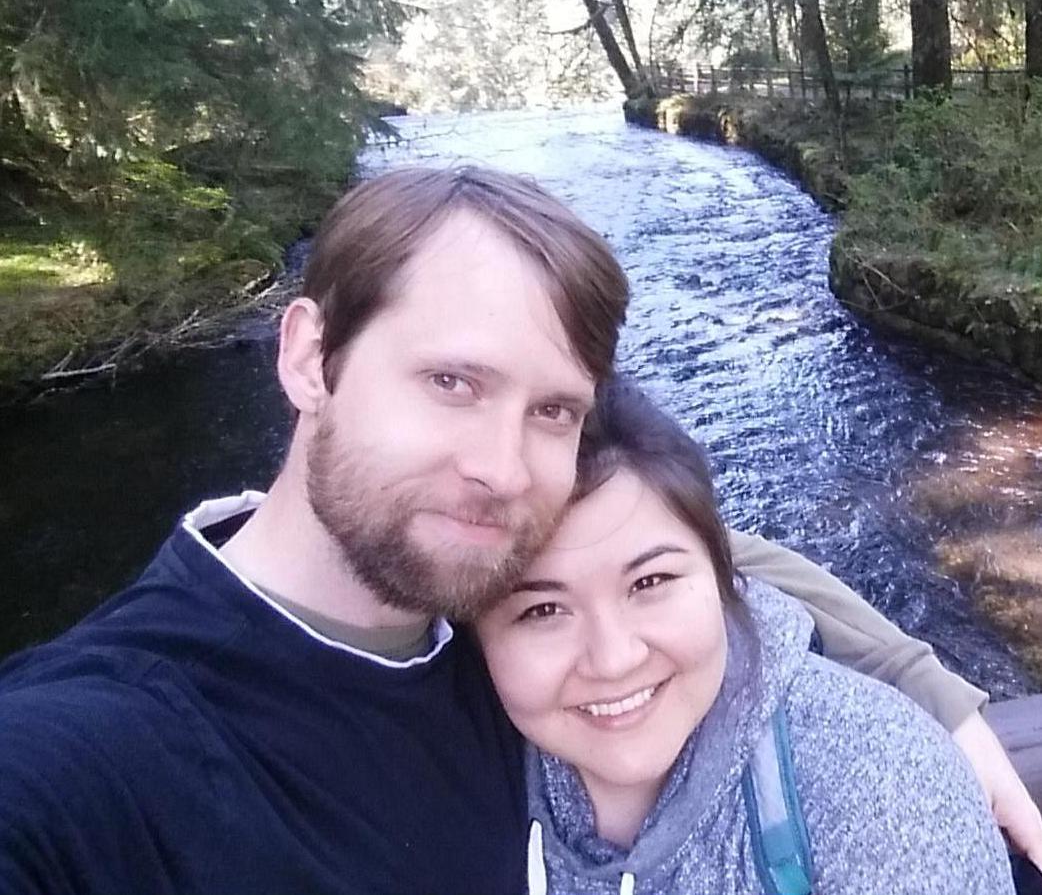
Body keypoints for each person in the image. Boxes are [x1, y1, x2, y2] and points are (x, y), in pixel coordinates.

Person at [0, 166, 1037, 895]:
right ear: (311, 359)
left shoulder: (487, 618)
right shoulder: (87, 757)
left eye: (553, 410)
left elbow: (692, 554)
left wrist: (923, 687)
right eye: (452, 380)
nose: (501, 469)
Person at [475, 378, 1017, 894]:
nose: (613, 658)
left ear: (722, 576)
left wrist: (913, 675)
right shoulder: (438, 770)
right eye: (543, 609)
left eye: (650, 581)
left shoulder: (883, 792)